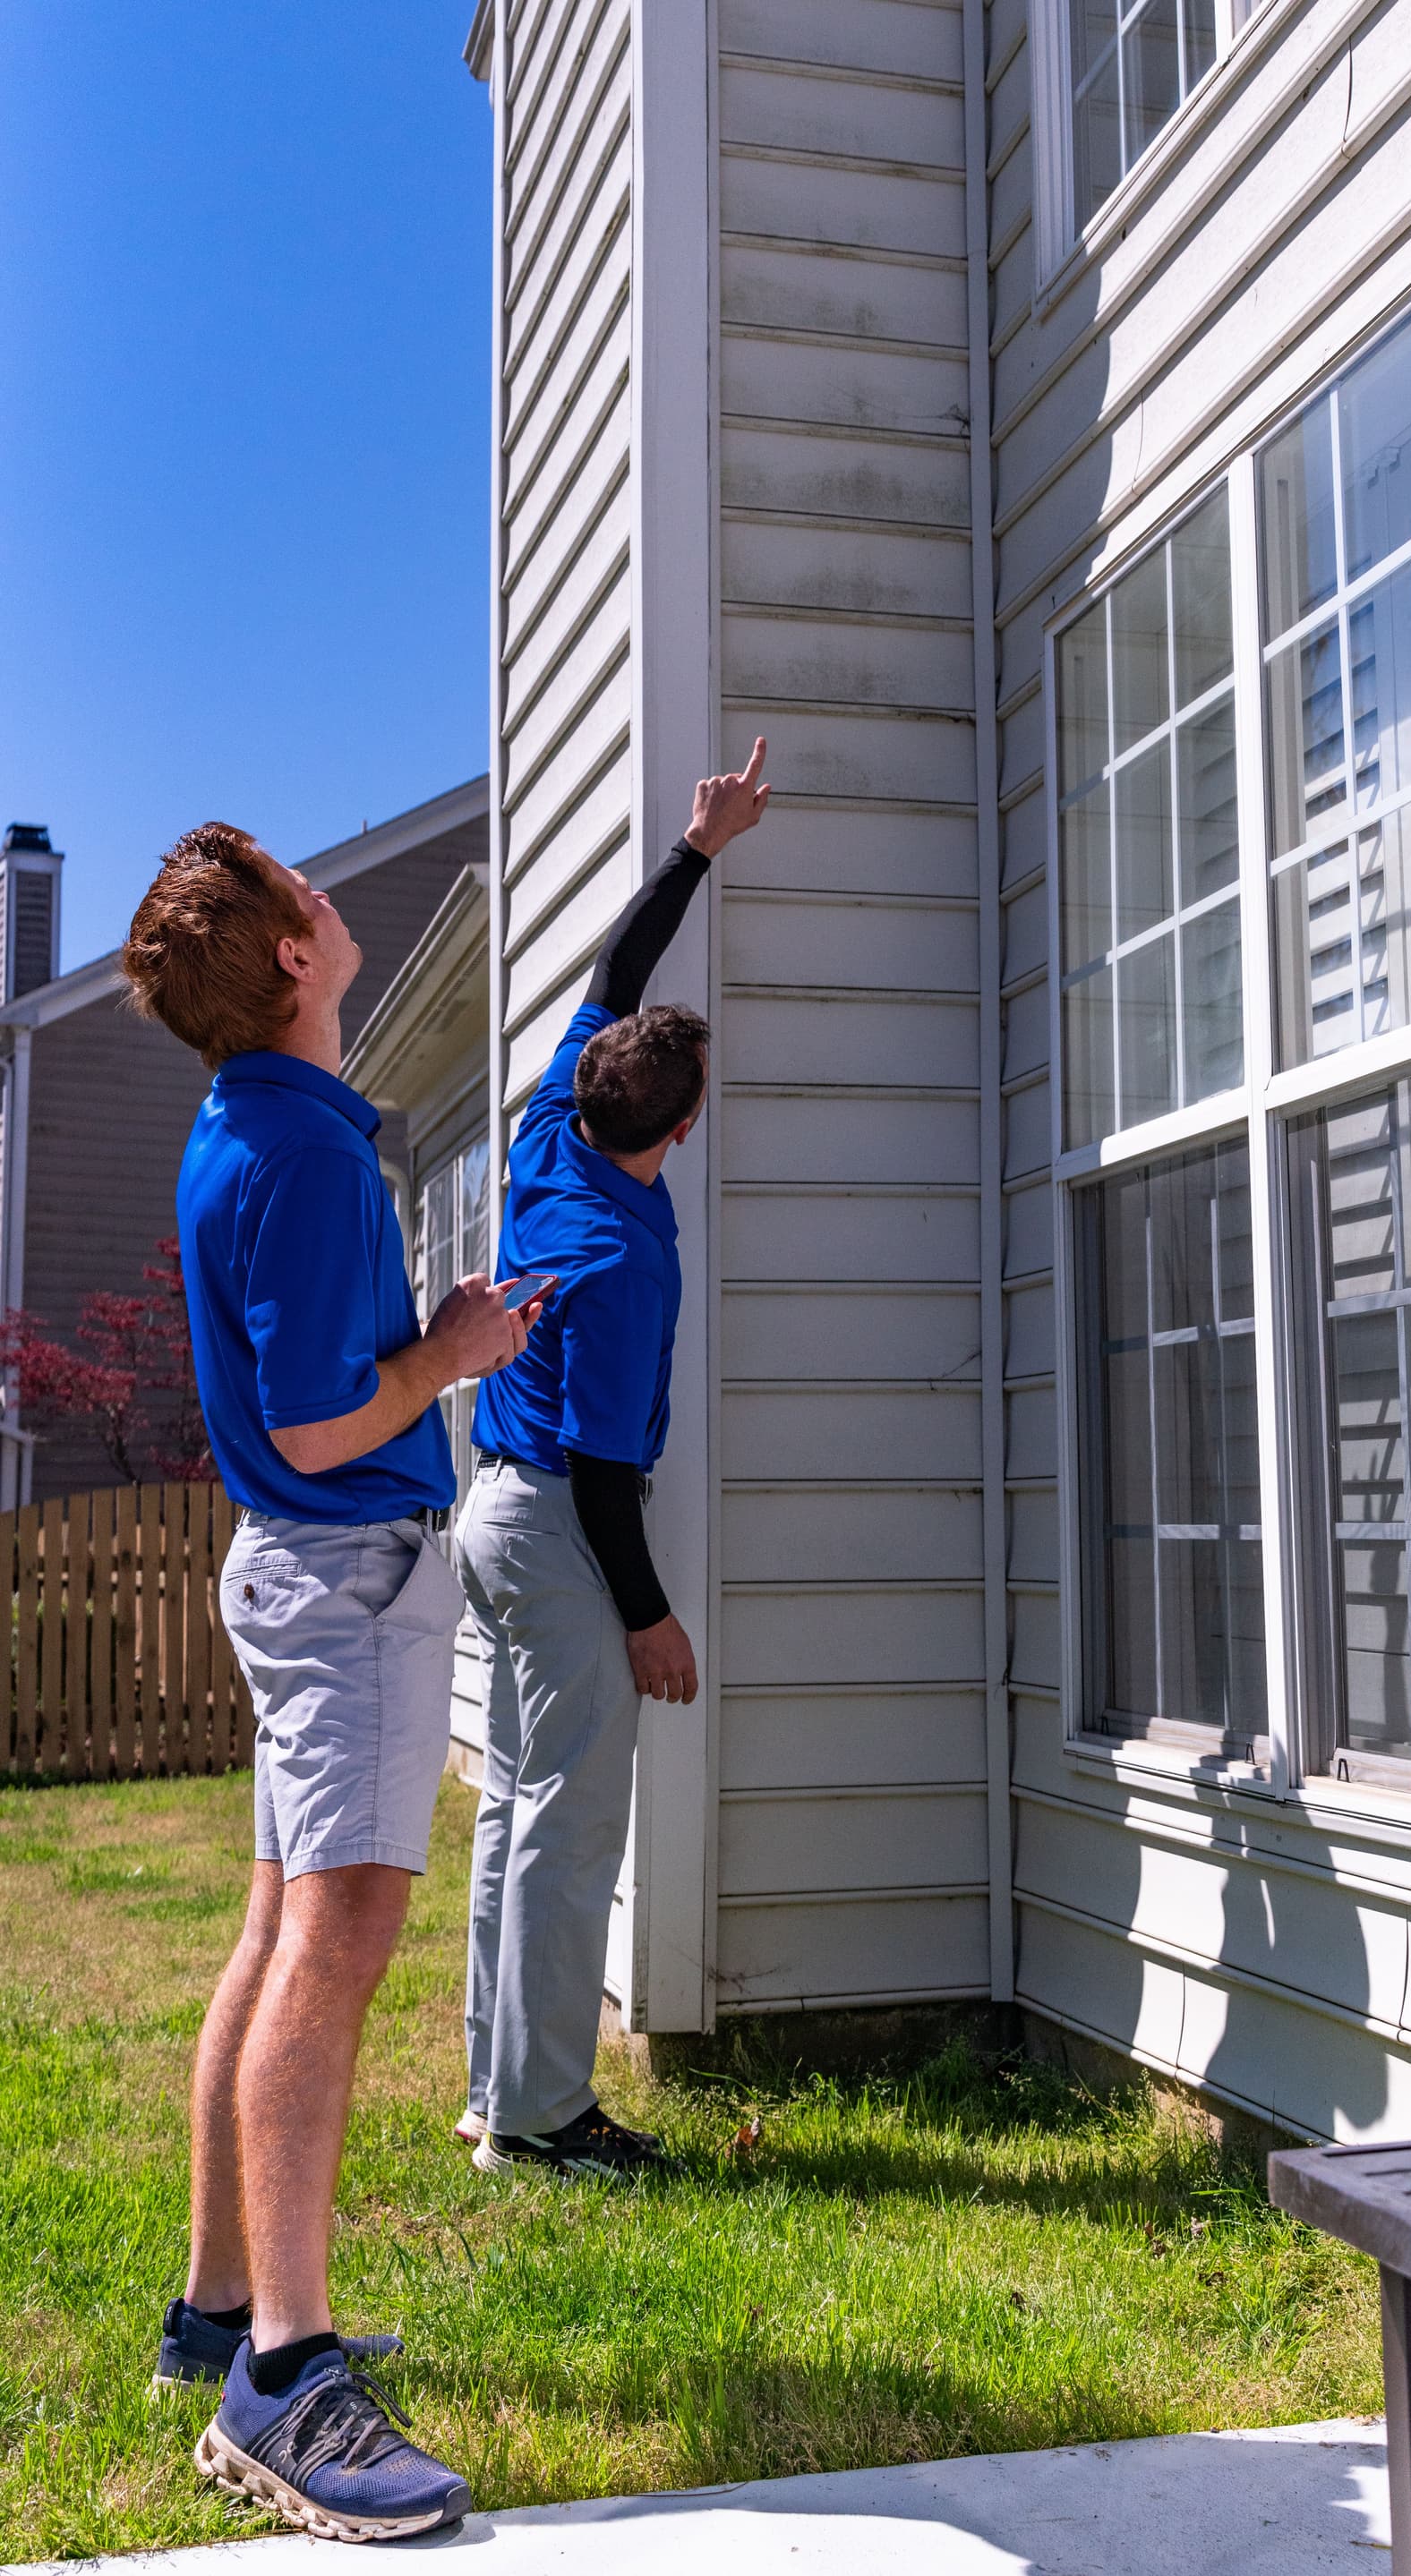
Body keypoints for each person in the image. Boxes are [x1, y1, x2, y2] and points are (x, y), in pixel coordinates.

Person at [120, 823, 545, 2543]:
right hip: (346, 1574)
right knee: (330, 1947)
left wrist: (425, 1344)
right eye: (301, 888)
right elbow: (314, 1425)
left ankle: (218, 2313)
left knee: (275, 1930)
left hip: (307, 1572)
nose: (326, 895)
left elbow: (306, 1388)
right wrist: (451, 1356)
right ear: (293, 956)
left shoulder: (257, 1125)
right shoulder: (299, 1152)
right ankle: (286, 2378)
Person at [456, 741, 770, 2179]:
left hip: (493, 1514)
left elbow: (616, 966)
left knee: (517, 1806)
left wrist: (699, 846)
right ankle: (543, 2117)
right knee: (570, 1824)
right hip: (557, 1525)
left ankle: (498, 2088)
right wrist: (650, 1618)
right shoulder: (619, 1265)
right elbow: (599, 1469)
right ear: (681, 1129)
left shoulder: (553, 1123)